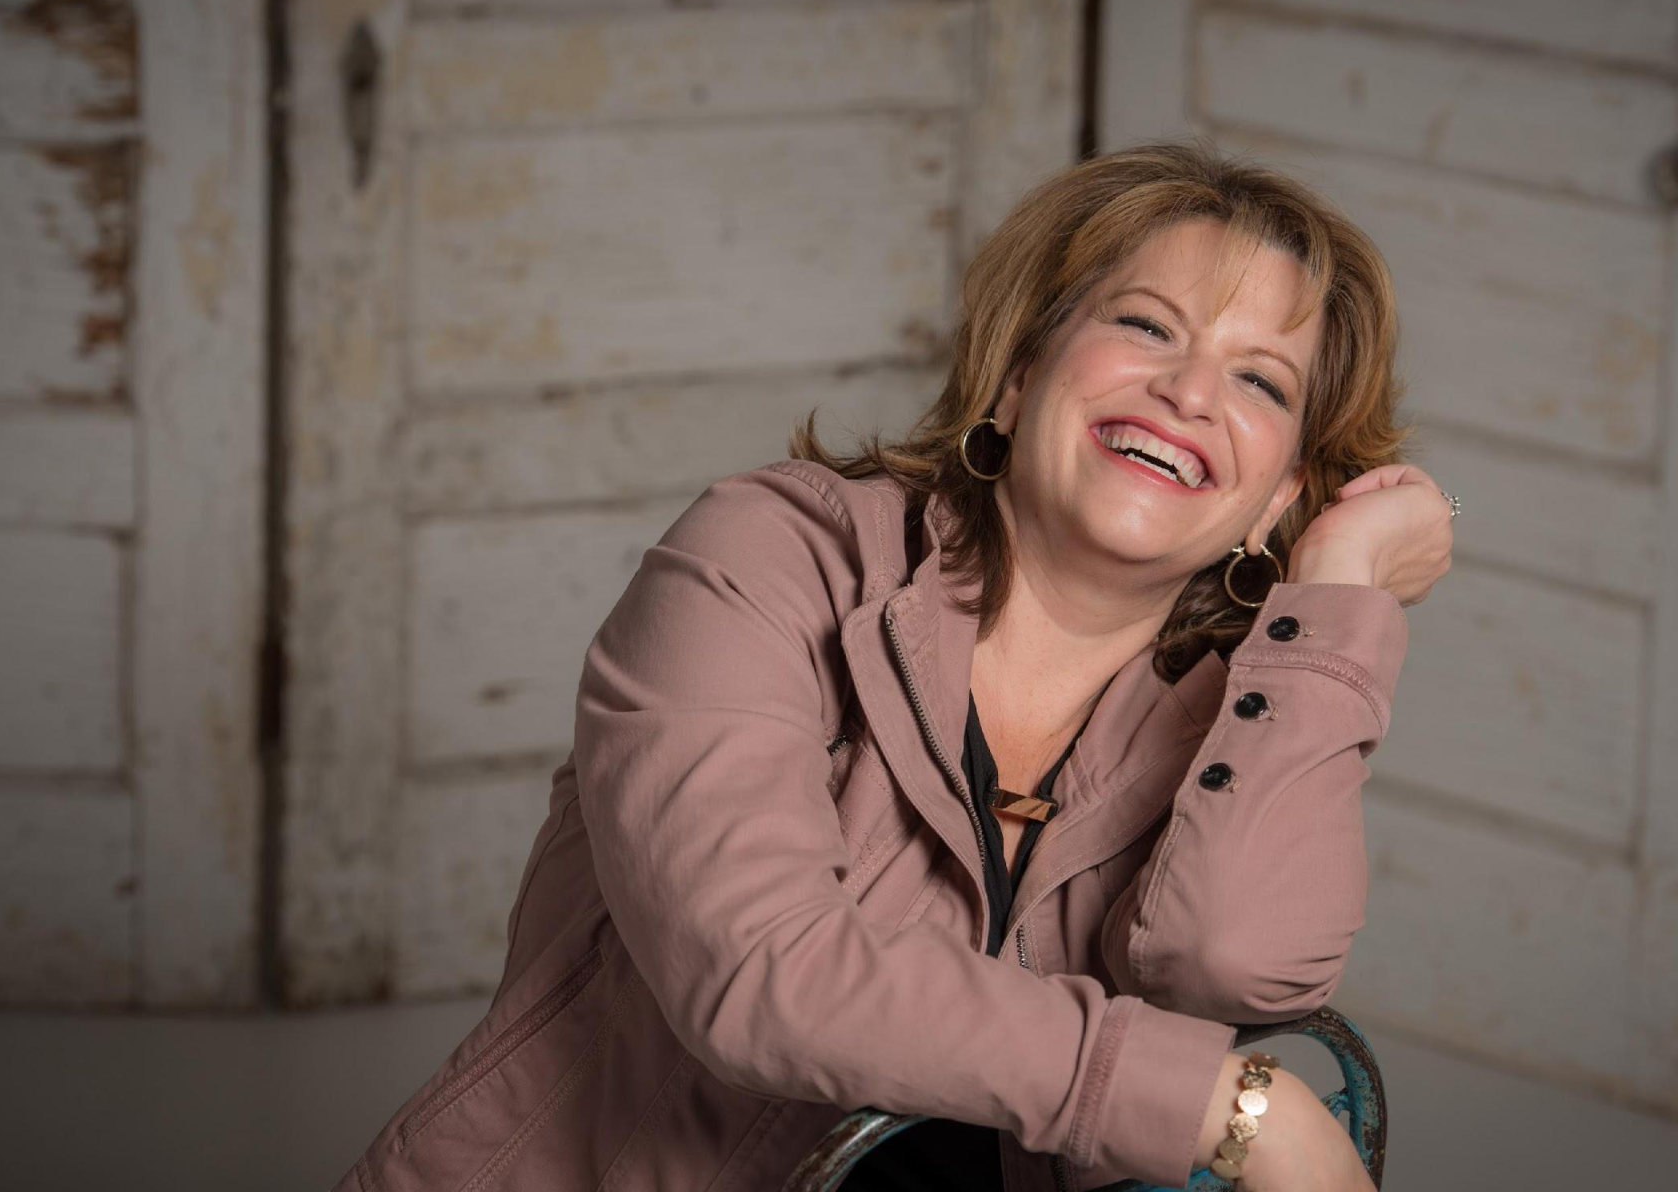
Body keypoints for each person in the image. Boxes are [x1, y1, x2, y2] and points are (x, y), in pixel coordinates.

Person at [330, 138, 1455, 1192]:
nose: (1191, 393)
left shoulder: (1230, 722)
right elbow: (763, 974)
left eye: (1260, 382)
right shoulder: (768, 558)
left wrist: (1338, 593)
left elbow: (1230, 964)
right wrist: (1236, 1106)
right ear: (1019, 377)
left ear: (1276, 497)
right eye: (1147, 326)